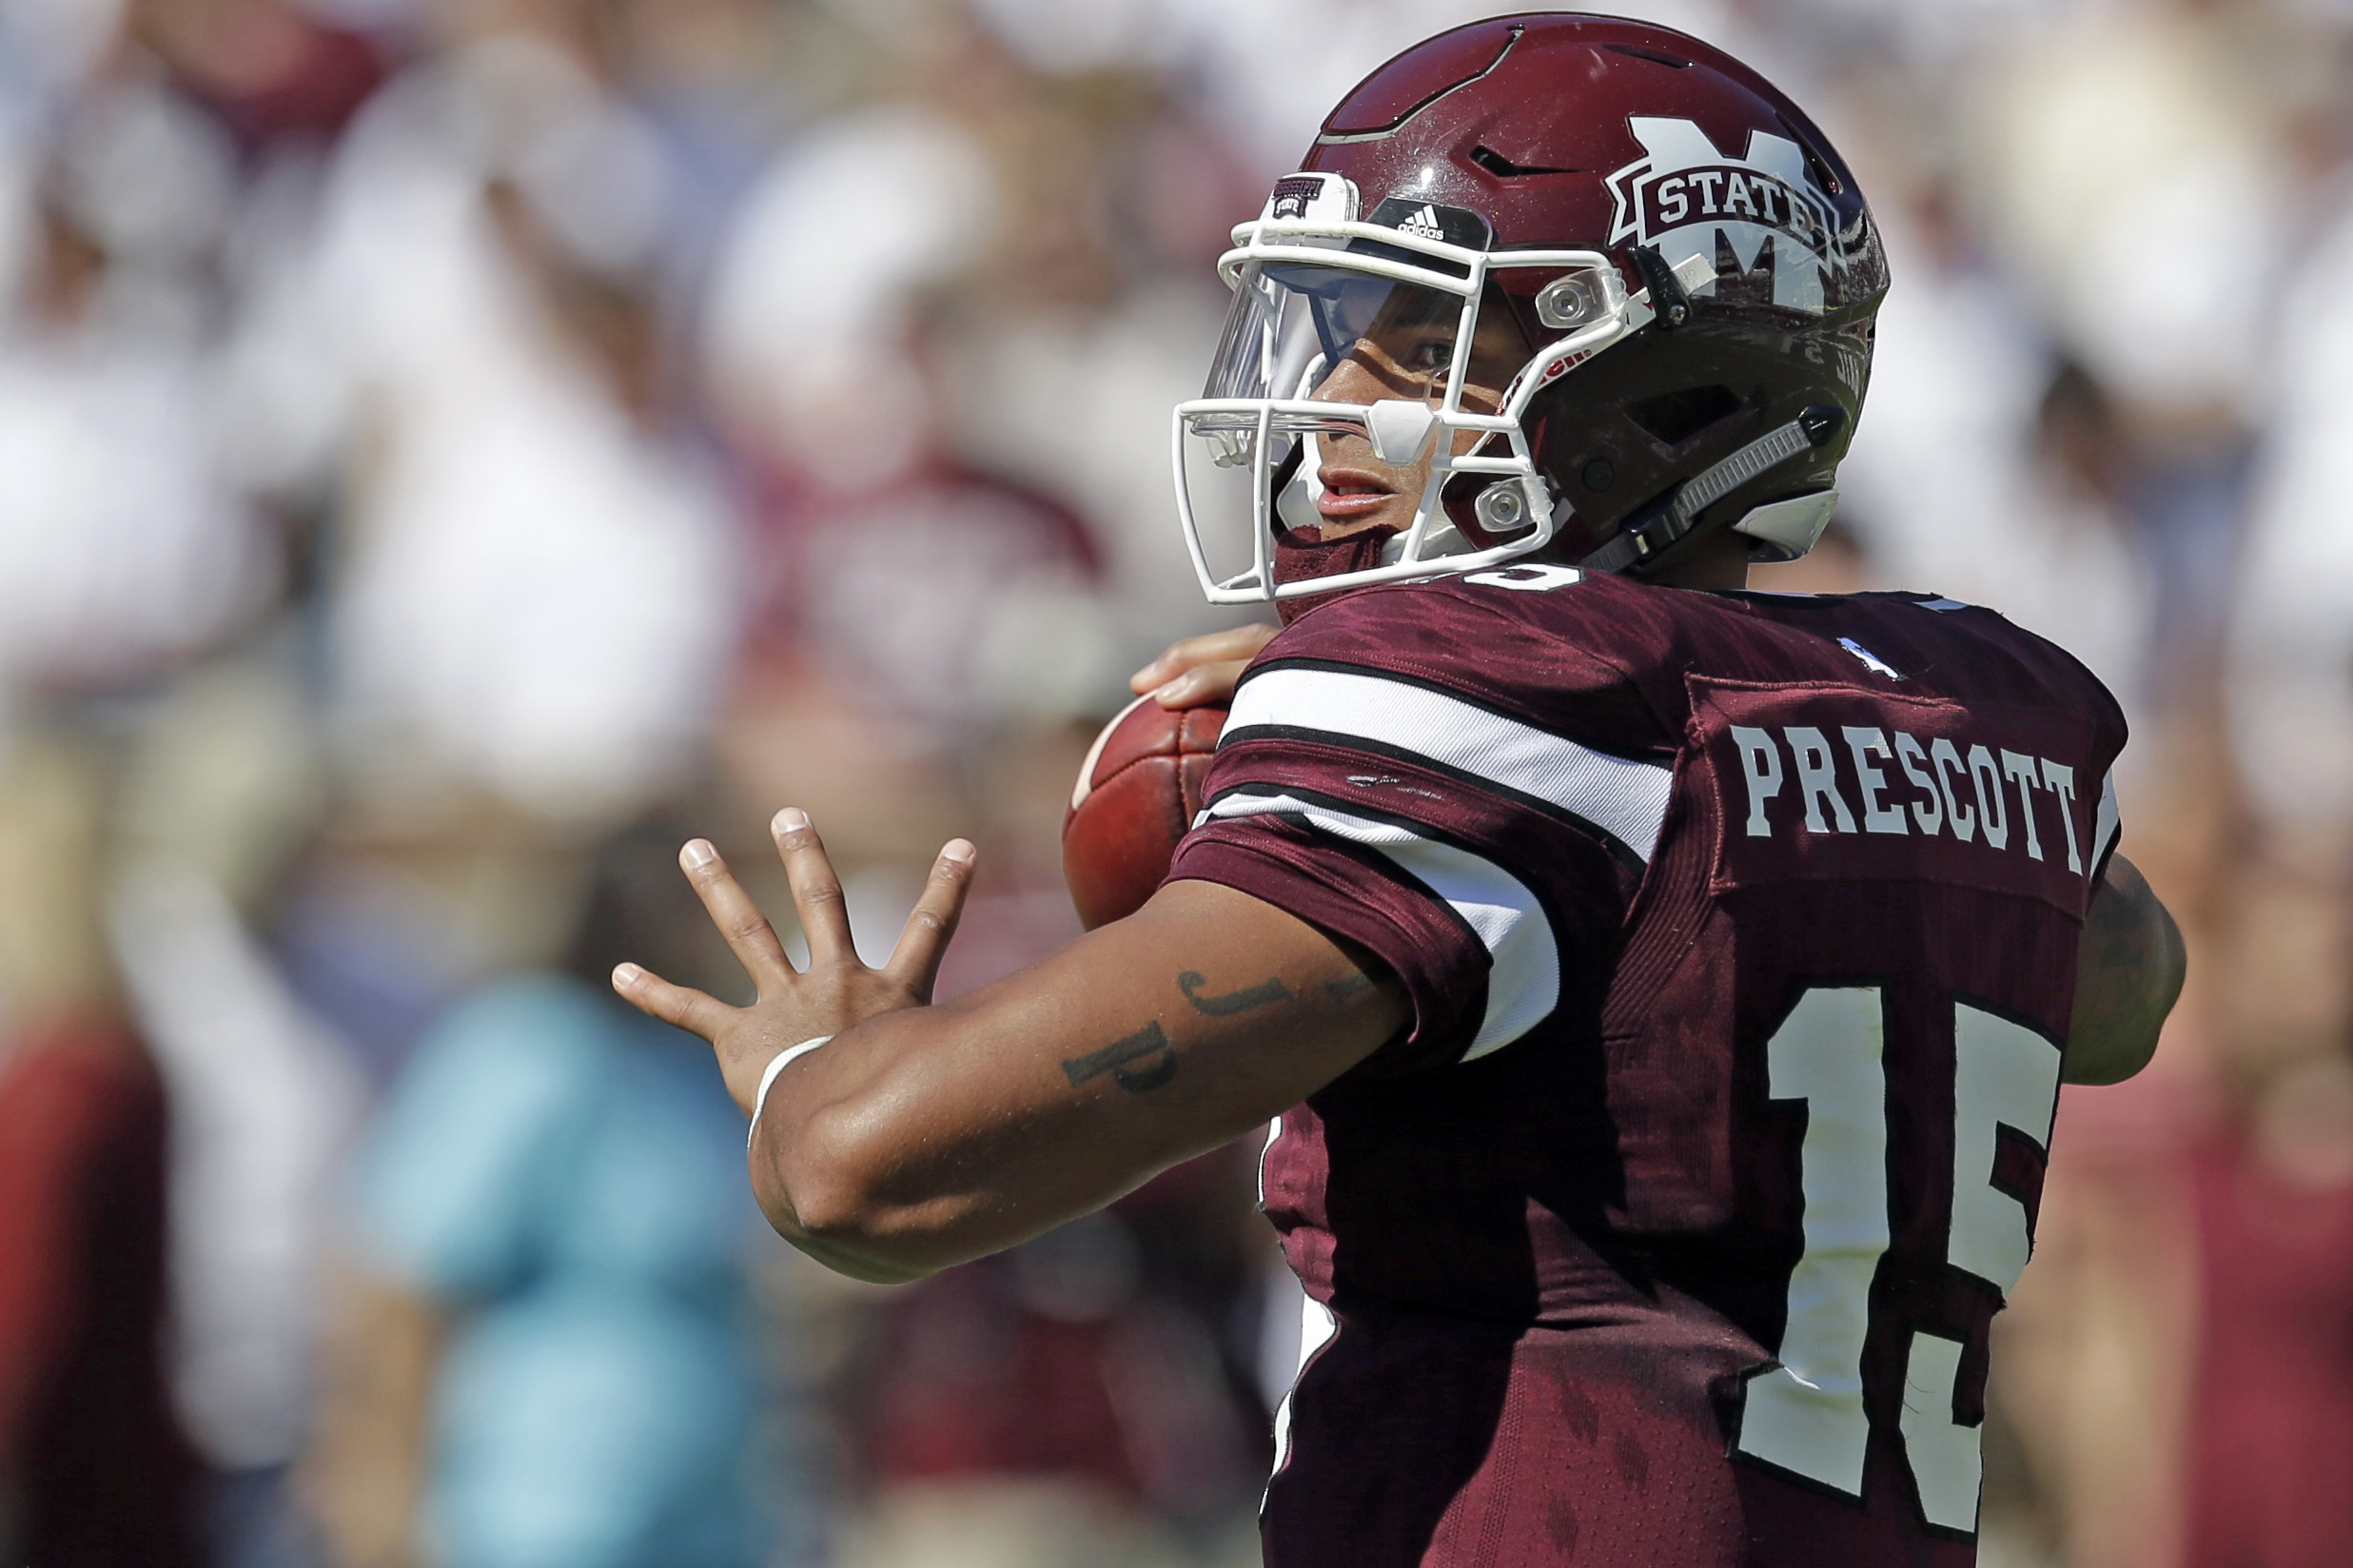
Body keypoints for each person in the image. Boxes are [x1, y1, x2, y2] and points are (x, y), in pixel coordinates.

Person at [615, 16, 2186, 1566]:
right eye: (1344, 316)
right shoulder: (1974, 699)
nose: (1335, 392)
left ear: (1667, 387)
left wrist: (820, 1061)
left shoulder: (1483, 695)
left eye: (1428, 340)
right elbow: (2124, 992)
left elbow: (867, 1177)